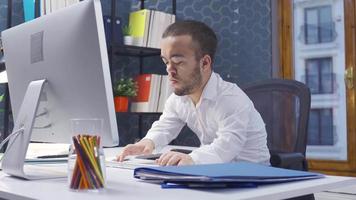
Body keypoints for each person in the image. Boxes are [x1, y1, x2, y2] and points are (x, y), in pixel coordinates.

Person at [117, 20, 270, 166]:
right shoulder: (178, 99)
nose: (169, 70)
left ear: (204, 63)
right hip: (213, 172)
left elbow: (226, 147)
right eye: (166, 62)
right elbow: (164, 127)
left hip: (254, 176)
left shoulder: (231, 99)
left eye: (178, 62)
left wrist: (192, 159)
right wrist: (147, 143)